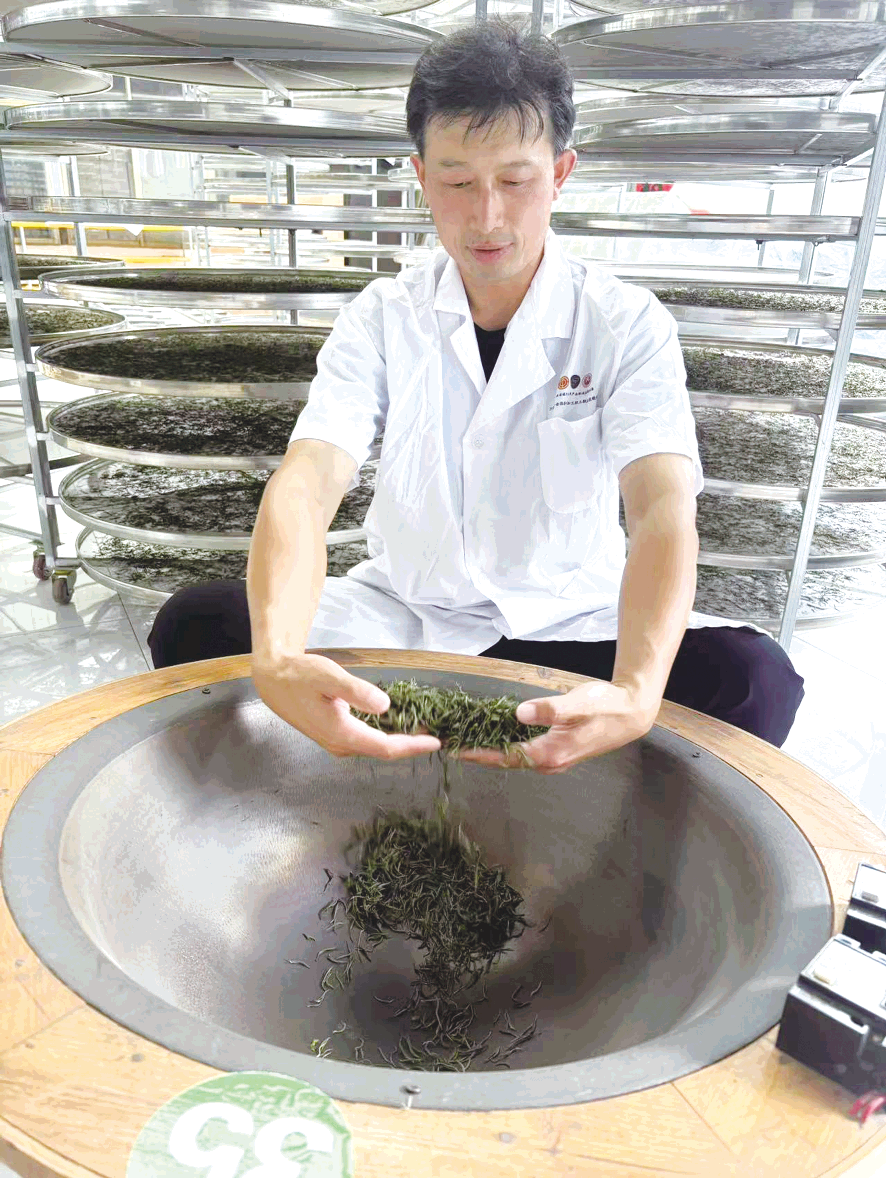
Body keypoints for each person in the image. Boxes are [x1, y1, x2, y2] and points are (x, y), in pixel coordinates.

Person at [148, 19, 805, 769]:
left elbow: (660, 507)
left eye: (515, 181)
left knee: (755, 680)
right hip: (407, 615)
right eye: (458, 182)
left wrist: (635, 688)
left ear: (559, 173)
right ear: (421, 177)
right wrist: (277, 653)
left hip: (570, 625)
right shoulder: (384, 315)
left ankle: (596, 775)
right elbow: (309, 479)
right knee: (196, 624)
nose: (487, 217)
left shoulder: (624, 321)